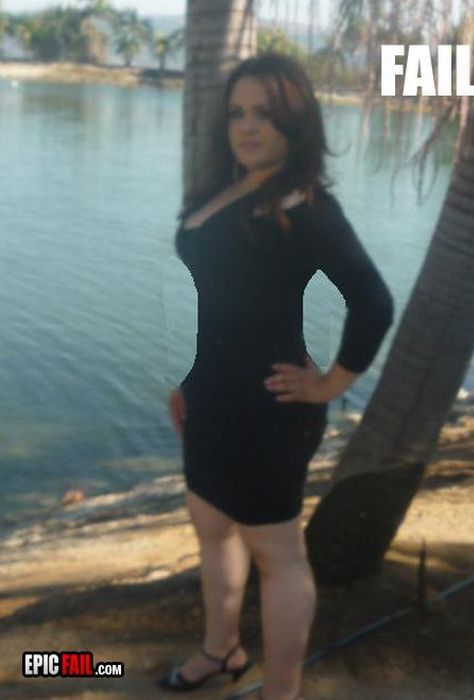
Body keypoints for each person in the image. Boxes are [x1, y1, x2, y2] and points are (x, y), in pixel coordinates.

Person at [159, 52, 394, 700]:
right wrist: (190, 381)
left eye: (264, 113)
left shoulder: (305, 204)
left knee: (279, 556)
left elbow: (373, 303)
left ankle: (280, 691)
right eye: (237, 113)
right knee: (212, 530)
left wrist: (331, 383)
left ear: (296, 121)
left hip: (269, 410)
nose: (247, 125)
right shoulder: (226, 190)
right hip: (210, 400)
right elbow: (225, 301)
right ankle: (221, 651)